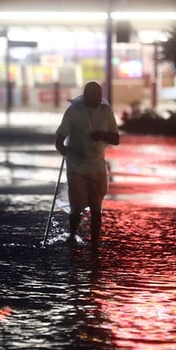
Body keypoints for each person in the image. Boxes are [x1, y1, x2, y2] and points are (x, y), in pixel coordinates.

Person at [54, 81, 120, 246]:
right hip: (76, 165)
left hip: (97, 165)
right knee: (77, 206)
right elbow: (60, 138)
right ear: (85, 95)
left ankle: (95, 240)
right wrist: (63, 149)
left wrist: (103, 135)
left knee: (97, 206)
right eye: (93, 95)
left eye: (99, 95)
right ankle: (72, 235)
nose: (97, 98)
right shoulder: (74, 112)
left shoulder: (106, 111)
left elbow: (116, 139)